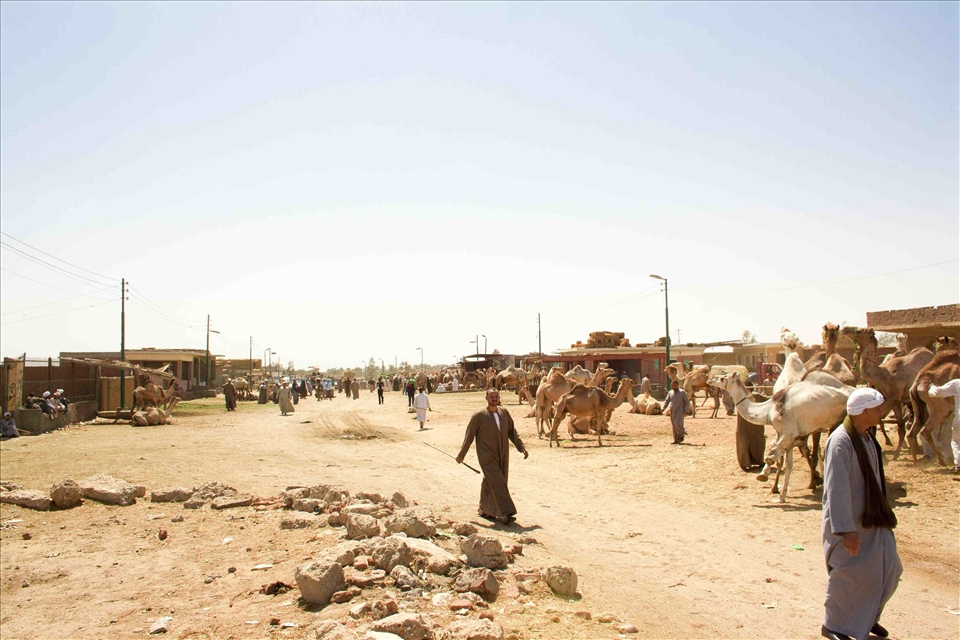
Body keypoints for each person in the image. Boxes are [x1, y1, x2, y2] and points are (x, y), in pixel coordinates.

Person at [820, 388, 901, 640]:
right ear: (864, 412)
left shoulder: (866, 437)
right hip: (850, 523)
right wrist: (846, 530)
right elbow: (836, 488)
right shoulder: (841, 441)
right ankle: (833, 625)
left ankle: (867, 618)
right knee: (849, 573)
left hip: (873, 518)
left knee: (890, 569)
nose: (881, 413)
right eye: (877, 409)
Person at [456, 388, 528, 524]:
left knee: (491, 481)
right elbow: (469, 436)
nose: (494, 398)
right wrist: (461, 455)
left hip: (502, 452)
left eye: (496, 396)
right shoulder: (479, 415)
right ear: (486, 398)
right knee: (498, 480)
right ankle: (507, 512)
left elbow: (512, 431)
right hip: (486, 454)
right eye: (491, 396)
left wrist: (521, 447)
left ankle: (484, 509)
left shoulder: (504, 413)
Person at [927, 378, 960, 472]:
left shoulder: (957, 383)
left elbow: (937, 393)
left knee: (957, 441)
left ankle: (958, 466)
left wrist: (932, 387)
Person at [736, 391, 766, 470]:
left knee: (756, 442)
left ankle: (756, 461)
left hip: (754, 424)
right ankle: (746, 463)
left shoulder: (756, 396)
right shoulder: (741, 397)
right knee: (746, 443)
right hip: (747, 424)